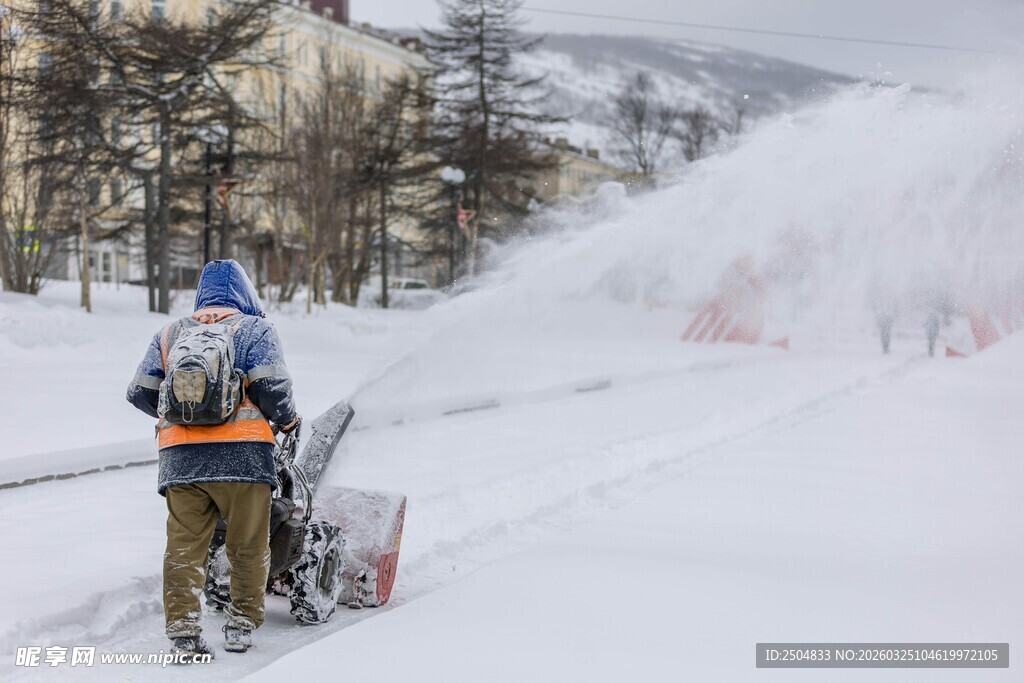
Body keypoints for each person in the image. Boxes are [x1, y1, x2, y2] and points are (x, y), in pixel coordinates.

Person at [126, 260, 299, 659]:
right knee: (247, 547)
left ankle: (184, 633)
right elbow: (272, 389)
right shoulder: (254, 329)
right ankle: (240, 626)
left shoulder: (171, 333)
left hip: (180, 462)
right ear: (245, 294)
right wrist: (288, 421)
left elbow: (139, 392)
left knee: (183, 549)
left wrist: (182, 416)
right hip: (243, 460)